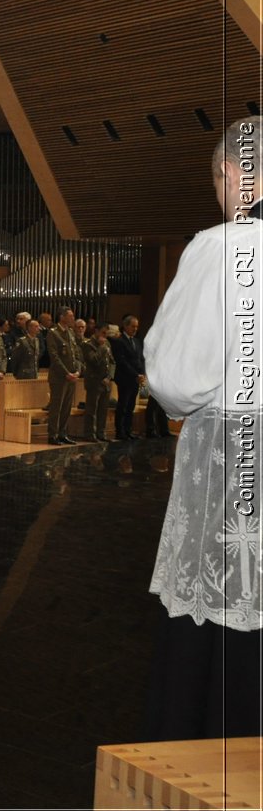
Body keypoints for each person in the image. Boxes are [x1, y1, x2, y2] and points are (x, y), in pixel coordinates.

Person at [142, 114, 262, 740]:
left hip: (239, 461)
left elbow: (179, 376)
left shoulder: (224, 247)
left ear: (231, 172)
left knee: (223, 614)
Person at [46, 307, 83, 445]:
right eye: (70, 316)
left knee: (67, 407)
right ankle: (53, 434)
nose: (73, 318)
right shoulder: (53, 333)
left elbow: (77, 355)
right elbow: (54, 356)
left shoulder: (71, 333)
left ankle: (63, 433)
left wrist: (78, 371)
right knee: (57, 407)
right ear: (62, 317)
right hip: (59, 377)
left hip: (72, 376)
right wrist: (66, 373)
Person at [111, 315, 146, 440]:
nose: (135, 329)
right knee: (123, 405)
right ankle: (120, 431)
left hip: (136, 379)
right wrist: (136, 374)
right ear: (125, 326)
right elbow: (122, 361)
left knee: (131, 406)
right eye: (133, 326)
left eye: (137, 327)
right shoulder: (119, 341)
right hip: (125, 378)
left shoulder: (137, 341)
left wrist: (142, 373)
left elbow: (140, 359)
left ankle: (128, 429)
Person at [80, 323, 114, 444]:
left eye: (107, 334)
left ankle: (101, 433)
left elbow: (112, 363)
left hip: (106, 382)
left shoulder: (107, 344)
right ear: (96, 331)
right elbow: (93, 360)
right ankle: (90, 434)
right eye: (103, 333)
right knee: (92, 410)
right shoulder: (87, 344)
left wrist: (109, 377)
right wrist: (102, 348)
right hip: (94, 381)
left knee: (103, 410)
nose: (105, 336)